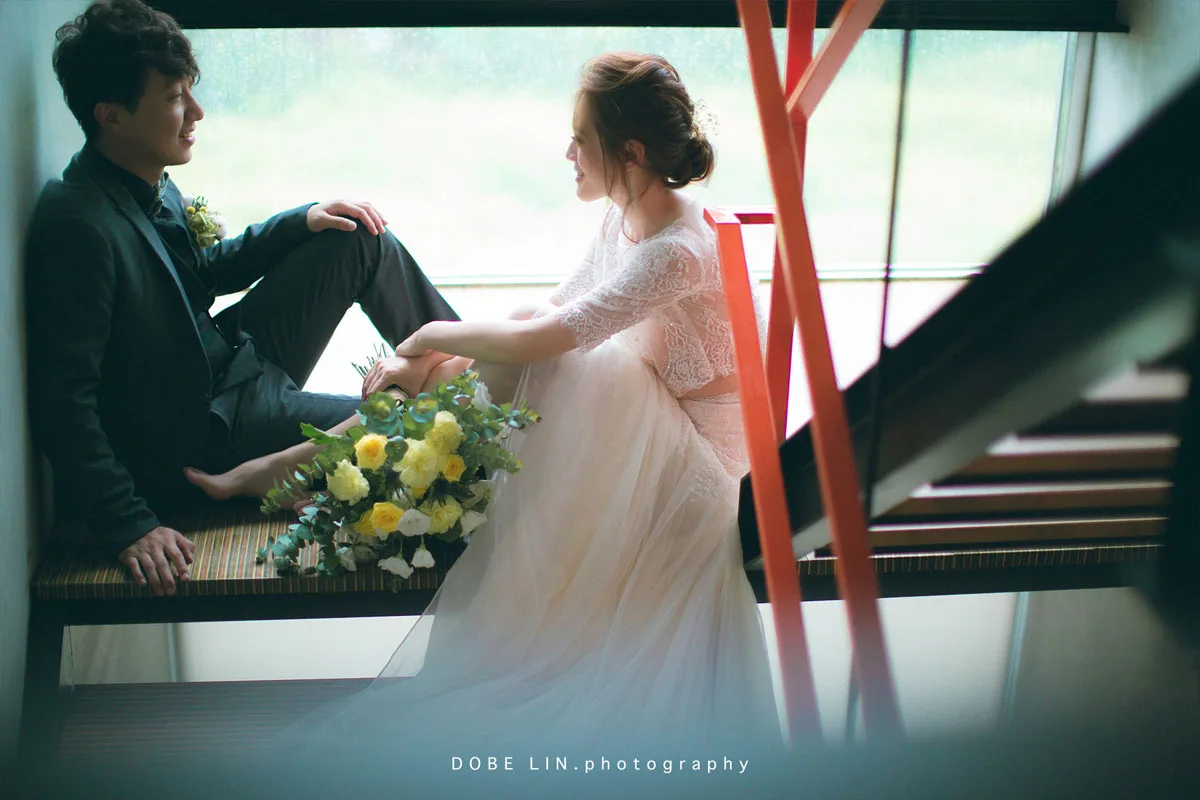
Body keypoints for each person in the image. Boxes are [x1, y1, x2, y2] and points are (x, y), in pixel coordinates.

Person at [188, 52, 781, 765]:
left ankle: (307, 464)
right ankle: (313, 462)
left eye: (580, 139)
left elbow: (546, 335)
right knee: (524, 348)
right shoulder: (624, 215)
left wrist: (426, 337)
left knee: (556, 352)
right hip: (647, 430)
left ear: (630, 153)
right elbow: (558, 312)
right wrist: (431, 362)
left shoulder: (678, 250)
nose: (567, 153)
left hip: (696, 476)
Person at [25, 0, 458, 597]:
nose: (196, 112)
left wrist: (300, 221)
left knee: (358, 239)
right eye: (175, 97)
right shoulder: (79, 226)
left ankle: (470, 368)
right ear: (112, 115)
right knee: (415, 424)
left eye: (190, 91)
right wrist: (129, 523)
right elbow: (63, 400)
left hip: (232, 360)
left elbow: (195, 273)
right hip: (209, 430)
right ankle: (465, 409)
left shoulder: (139, 177)